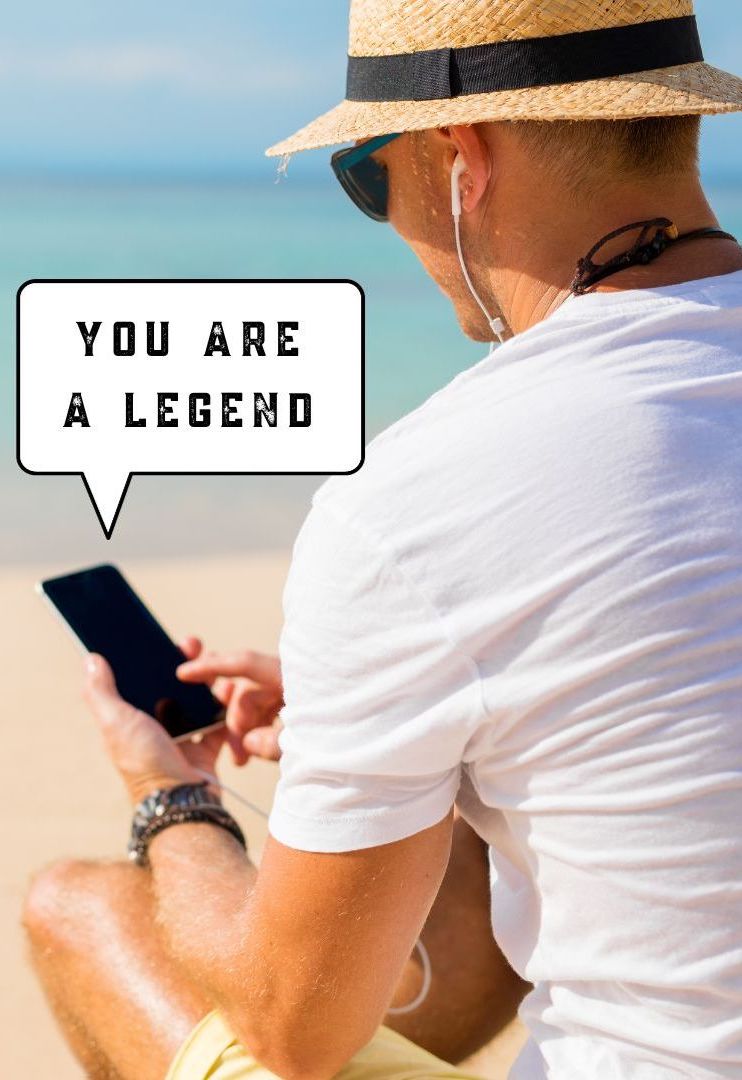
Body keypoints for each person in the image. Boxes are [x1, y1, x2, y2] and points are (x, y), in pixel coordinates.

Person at [22, 1, 742, 1078]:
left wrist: (168, 798)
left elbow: (292, 1030)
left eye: (368, 175)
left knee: (78, 911)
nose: (385, 216)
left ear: (462, 159)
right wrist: (380, 710)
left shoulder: (424, 497)